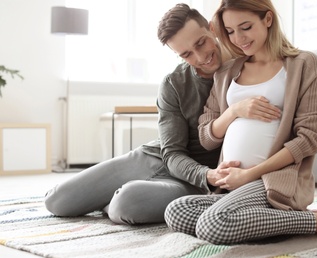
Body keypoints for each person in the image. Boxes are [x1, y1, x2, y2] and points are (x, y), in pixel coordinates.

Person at [164, 0, 317, 245]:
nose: (238, 38)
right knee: (176, 211)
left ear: (268, 19)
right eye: (230, 31)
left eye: (246, 27)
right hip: (232, 184)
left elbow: (309, 139)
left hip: (271, 179)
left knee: (213, 226)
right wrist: (235, 111)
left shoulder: (303, 63)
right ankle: (266, 216)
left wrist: (250, 174)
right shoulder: (227, 72)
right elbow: (206, 138)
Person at [44, 3, 237, 225]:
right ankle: (116, 193)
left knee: (126, 205)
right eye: (186, 54)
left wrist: (207, 176)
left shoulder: (246, 70)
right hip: (154, 158)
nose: (201, 57)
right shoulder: (173, 83)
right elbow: (172, 154)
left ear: (212, 29)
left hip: (193, 181)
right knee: (57, 202)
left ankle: (117, 196)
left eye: (201, 43)